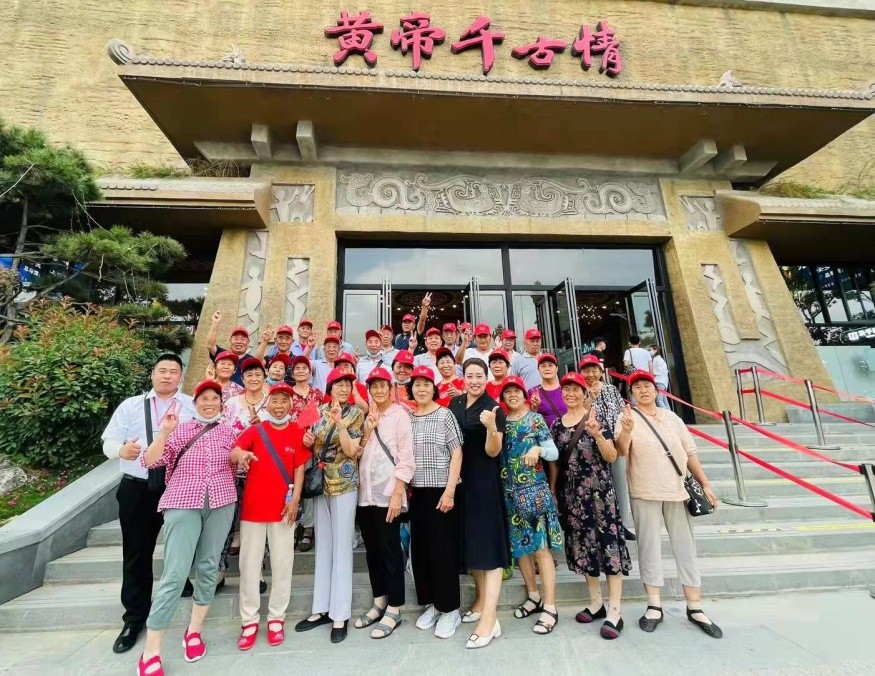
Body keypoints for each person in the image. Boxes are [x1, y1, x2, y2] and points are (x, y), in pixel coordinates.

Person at [136, 379, 252, 675]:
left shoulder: (228, 431)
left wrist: (241, 455)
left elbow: (234, 454)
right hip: (182, 502)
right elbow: (149, 461)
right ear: (195, 402)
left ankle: (194, 631)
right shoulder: (180, 429)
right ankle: (151, 651)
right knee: (175, 574)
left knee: (209, 567)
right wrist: (164, 432)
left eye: (215, 399)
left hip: (222, 502)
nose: (209, 403)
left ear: (221, 404)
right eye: (204, 398)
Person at [101, 354, 196, 654]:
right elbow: (108, 441)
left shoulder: (192, 405)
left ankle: (180, 581)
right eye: (162, 370)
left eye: (173, 371)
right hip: (138, 488)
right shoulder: (130, 405)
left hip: (179, 486)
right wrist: (120, 450)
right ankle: (134, 617)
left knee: (182, 542)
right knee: (136, 552)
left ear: (181, 376)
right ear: (153, 374)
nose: (167, 376)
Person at [618, 370, 722, 639]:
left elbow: (690, 454)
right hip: (644, 490)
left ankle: (695, 605)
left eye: (647, 386)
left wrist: (706, 484)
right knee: (649, 546)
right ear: (632, 393)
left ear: (656, 390)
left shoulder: (673, 418)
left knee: (685, 546)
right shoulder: (627, 417)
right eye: (637, 387)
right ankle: (654, 604)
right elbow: (621, 451)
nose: (643, 390)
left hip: (678, 490)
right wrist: (626, 431)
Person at [552, 371, 632, 640]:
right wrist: (554, 491)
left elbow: (612, 456)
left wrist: (598, 435)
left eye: (576, 389)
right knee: (584, 548)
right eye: (567, 389)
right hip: (573, 497)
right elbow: (556, 464)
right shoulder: (557, 426)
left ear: (584, 393)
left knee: (609, 547)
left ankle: (615, 610)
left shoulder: (596, 419)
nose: (571, 393)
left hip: (601, 496)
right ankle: (596, 603)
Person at [233, 382, 309, 651]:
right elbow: (235, 451)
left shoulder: (297, 431)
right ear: (268, 404)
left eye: (284, 401)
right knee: (249, 565)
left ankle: (277, 618)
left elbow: (299, 469)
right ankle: (249, 620)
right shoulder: (256, 429)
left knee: (282, 563)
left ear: (291, 404)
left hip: (283, 509)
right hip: (253, 509)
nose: (279, 406)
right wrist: (241, 455)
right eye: (274, 401)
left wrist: (295, 501)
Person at [295, 368, 365, 644]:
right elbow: (302, 437)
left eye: (348, 384)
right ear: (330, 387)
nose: (344, 388)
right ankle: (320, 608)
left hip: (345, 483)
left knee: (342, 547)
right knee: (323, 545)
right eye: (339, 384)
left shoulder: (355, 413)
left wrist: (340, 423)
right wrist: (306, 440)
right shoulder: (316, 409)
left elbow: (351, 450)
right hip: (320, 483)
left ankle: (340, 613)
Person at [449, 359, 507, 649]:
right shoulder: (456, 403)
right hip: (461, 482)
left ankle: (490, 618)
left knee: (490, 547)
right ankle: (481, 600)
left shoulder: (493, 408)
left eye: (479, 376)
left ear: (487, 378)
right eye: (469, 375)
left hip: (484, 483)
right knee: (474, 543)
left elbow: (493, 451)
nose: (474, 380)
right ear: (463, 378)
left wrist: (491, 427)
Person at [498, 376, 562, 636]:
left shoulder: (535, 419)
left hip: (534, 492)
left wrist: (538, 450)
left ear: (524, 395)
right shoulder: (501, 422)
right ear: (503, 397)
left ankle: (550, 606)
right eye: (508, 392)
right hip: (510, 493)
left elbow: (554, 452)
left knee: (541, 549)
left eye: (517, 391)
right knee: (520, 548)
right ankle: (533, 596)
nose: (512, 395)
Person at [354, 367, 415, 639]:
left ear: (391, 389)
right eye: (374, 386)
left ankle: (395, 607)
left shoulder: (400, 415)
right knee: (373, 551)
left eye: (383, 386)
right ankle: (379, 600)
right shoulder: (369, 415)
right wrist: (368, 428)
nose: (378, 391)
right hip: (365, 495)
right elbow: (360, 453)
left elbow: (406, 458)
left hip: (387, 494)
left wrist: (397, 494)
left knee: (390, 551)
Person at [407, 366, 465, 639]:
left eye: (426, 384)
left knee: (443, 552)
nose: (421, 389)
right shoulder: (408, 418)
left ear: (434, 388)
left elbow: (457, 453)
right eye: (417, 385)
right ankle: (432, 604)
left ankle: (450, 609)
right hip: (417, 492)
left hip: (442, 491)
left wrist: (450, 490)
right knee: (422, 552)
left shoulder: (445, 415)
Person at [578, 354, 636, 541]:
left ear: (600, 371)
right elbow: (579, 415)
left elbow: (621, 412)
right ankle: (600, 523)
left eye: (594, 370)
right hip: (591, 446)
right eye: (586, 371)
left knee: (619, 485)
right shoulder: (578, 391)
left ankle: (622, 524)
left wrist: (623, 436)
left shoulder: (611, 389)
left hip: (615, 442)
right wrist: (590, 397)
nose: (590, 374)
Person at [288, 354, 323, 553]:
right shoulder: (287, 394)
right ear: (293, 373)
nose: (301, 371)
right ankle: (292, 523)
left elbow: (323, 417)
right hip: (290, 446)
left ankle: (308, 527)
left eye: (305, 369)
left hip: (312, 446)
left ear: (310, 373)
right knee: (291, 486)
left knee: (309, 485)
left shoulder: (317, 394)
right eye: (297, 368)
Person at [205, 311, 269, 385]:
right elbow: (210, 345)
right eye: (235, 339)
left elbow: (258, 360)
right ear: (230, 341)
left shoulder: (250, 360)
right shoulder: (222, 354)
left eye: (242, 339)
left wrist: (265, 341)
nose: (239, 342)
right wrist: (215, 323)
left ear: (248, 343)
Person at [529, 353, 567, 429]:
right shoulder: (532, 392)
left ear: (556, 369)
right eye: (543, 366)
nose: (547, 369)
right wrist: (534, 409)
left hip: (568, 433)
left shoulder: (566, 389)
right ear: (538, 369)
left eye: (550, 365)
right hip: (545, 434)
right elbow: (529, 422)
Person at [649, 344, 671, 409]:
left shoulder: (657, 359)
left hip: (660, 381)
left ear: (655, 350)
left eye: (650, 350)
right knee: (664, 400)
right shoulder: (658, 359)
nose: (649, 352)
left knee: (659, 400)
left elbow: (658, 371)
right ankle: (670, 414)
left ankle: (666, 414)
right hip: (663, 382)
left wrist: (651, 373)